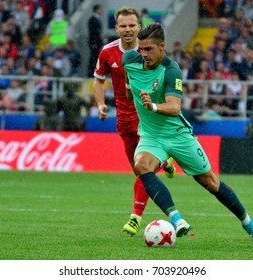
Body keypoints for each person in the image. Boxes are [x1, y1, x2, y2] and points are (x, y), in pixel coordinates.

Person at [122, 23, 253, 247]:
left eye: (149, 49)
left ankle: (249, 224)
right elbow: (128, 82)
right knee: (141, 166)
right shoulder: (130, 61)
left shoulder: (171, 70)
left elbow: (174, 107)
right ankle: (177, 219)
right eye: (141, 49)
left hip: (178, 135)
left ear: (162, 47)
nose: (144, 54)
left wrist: (151, 106)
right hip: (151, 136)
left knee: (210, 183)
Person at [93, 7, 176, 236]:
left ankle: (135, 217)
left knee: (143, 171)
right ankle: (164, 162)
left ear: (139, 27)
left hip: (149, 117)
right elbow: (99, 81)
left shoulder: (148, 50)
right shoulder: (108, 53)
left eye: (132, 25)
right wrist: (100, 104)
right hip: (125, 120)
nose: (128, 29)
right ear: (116, 28)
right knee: (138, 170)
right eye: (123, 26)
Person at [87, 4, 104, 77]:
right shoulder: (92, 19)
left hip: (97, 42)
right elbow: (92, 32)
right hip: (95, 43)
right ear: (97, 10)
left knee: (96, 58)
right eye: (100, 9)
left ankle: (94, 72)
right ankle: (91, 73)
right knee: (93, 58)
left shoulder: (97, 19)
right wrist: (93, 42)